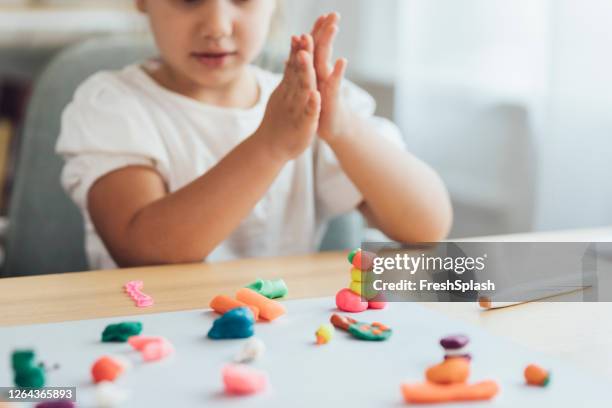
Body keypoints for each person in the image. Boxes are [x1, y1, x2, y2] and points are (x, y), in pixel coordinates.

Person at [56, 0, 452, 269]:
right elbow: (142, 251)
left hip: (281, 338)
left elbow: (428, 226)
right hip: (148, 337)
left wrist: (343, 128)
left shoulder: (305, 102)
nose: (216, 26)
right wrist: (270, 146)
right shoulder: (112, 105)